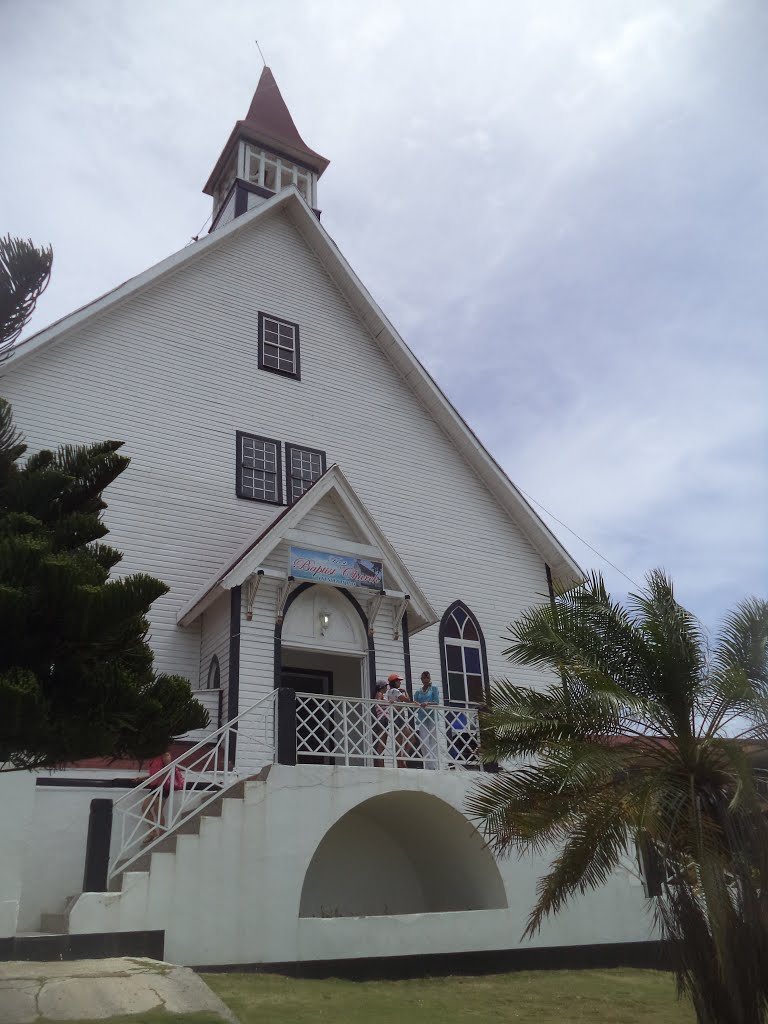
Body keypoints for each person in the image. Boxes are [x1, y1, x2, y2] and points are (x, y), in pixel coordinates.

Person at [141, 749, 184, 843]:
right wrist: (142, 778)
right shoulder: (154, 758)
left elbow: (169, 769)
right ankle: (153, 832)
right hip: (155, 786)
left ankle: (161, 833)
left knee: (157, 810)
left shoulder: (165, 754)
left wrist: (161, 783)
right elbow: (155, 774)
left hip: (162, 786)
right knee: (145, 808)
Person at [386, 673, 414, 768]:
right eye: (398, 681)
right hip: (399, 717)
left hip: (394, 717)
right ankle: (403, 759)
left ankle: (399, 762)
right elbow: (408, 700)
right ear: (394, 682)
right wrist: (405, 691)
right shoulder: (396, 691)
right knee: (411, 738)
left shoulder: (389, 692)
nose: (400, 683)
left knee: (398, 741)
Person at [413, 670, 440, 769]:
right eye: (424, 678)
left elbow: (436, 702)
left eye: (427, 678)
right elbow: (414, 703)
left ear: (430, 678)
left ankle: (434, 765)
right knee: (424, 741)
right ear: (421, 679)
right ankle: (429, 764)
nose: (425, 680)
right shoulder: (418, 692)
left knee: (433, 740)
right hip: (422, 717)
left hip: (432, 717)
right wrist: (416, 704)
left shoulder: (434, 689)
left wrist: (428, 704)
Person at [372, 681, 389, 767]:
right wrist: (389, 702)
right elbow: (379, 703)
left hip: (382, 720)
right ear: (382, 687)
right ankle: (380, 764)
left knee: (382, 743)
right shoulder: (380, 694)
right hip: (382, 720)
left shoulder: (379, 694)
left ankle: (381, 763)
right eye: (386, 687)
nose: (387, 688)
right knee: (382, 743)